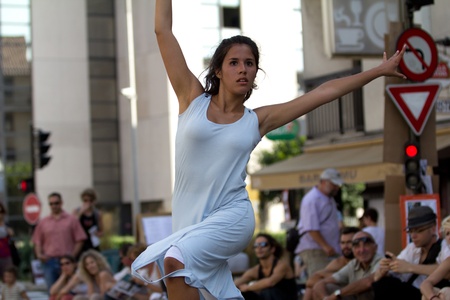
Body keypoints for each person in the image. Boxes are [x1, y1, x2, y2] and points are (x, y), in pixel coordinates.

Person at [130, 0, 407, 298]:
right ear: (219, 70)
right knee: (198, 285)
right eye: (234, 62)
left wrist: (377, 71)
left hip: (232, 215)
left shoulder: (256, 121)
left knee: (174, 261)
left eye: (249, 63)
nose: (243, 70)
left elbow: (324, 93)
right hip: (191, 220)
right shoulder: (191, 98)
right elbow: (162, 31)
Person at [372, 206, 442, 300]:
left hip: (434, 295)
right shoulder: (412, 248)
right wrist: (384, 269)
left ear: (433, 228)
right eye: (411, 231)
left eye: (419, 230)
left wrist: (409, 267)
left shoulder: (444, 246)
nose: (413, 236)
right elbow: (377, 278)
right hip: (415, 292)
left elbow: (447, 271)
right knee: (382, 284)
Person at [295, 168, 344, 277]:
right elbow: (311, 228)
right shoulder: (312, 199)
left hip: (328, 249)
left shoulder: (329, 198)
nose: (337, 188)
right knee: (319, 280)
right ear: (323, 182)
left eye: (337, 185)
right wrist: (326, 246)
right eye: (334, 184)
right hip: (316, 249)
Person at [32, 192, 87, 290]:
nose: (54, 206)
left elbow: (80, 239)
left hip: (67, 261)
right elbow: (37, 241)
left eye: (56, 203)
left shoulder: (72, 220)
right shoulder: (43, 222)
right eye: (51, 204)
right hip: (49, 261)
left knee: (69, 290)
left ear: (61, 203)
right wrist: (39, 255)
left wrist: (72, 256)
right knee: (52, 291)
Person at [313, 231, 382, 300]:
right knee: (327, 287)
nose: (362, 250)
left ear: (375, 248)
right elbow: (320, 283)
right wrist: (325, 298)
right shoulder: (353, 264)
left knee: (364, 292)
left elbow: (368, 282)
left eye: (366, 245)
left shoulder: (381, 261)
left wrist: (337, 294)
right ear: (353, 250)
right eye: (357, 246)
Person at [302, 226, 360, 300]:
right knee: (313, 289)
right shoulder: (338, 262)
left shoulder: (362, 260)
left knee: (326, 286)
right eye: (343, 243)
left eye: (349, 242)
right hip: (339, 295)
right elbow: (310, 281)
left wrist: (330, 277)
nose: (345, 246)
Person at [234, 233, 297, 300]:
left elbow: (270, 282)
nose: (259, 248)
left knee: (268, 291)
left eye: (263, 244)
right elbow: (237, 282)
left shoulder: (282, 266)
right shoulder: (256, 270)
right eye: (256, 245)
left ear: (272, 249)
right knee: (242, 294)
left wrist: (248, 287)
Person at [420, 215, 450, 300]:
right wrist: (433, 298)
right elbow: (425, 284)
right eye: (448, 233)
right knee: (431, 292)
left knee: (446, 292)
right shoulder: (448, 261)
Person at [73, 188, 103, 254]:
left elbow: (101, 231)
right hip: (80, 245)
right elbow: (73, 224)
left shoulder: (97, 213)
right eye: (85, 200)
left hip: (93, 244)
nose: (88, 203)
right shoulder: (77, 211)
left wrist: (97, 234)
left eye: (90, 201)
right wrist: (81, 212)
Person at [0, 202, 14, 277]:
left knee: (8, 277)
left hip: (6, 256)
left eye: (1, 212)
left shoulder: (6, 225)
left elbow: (12, 234)